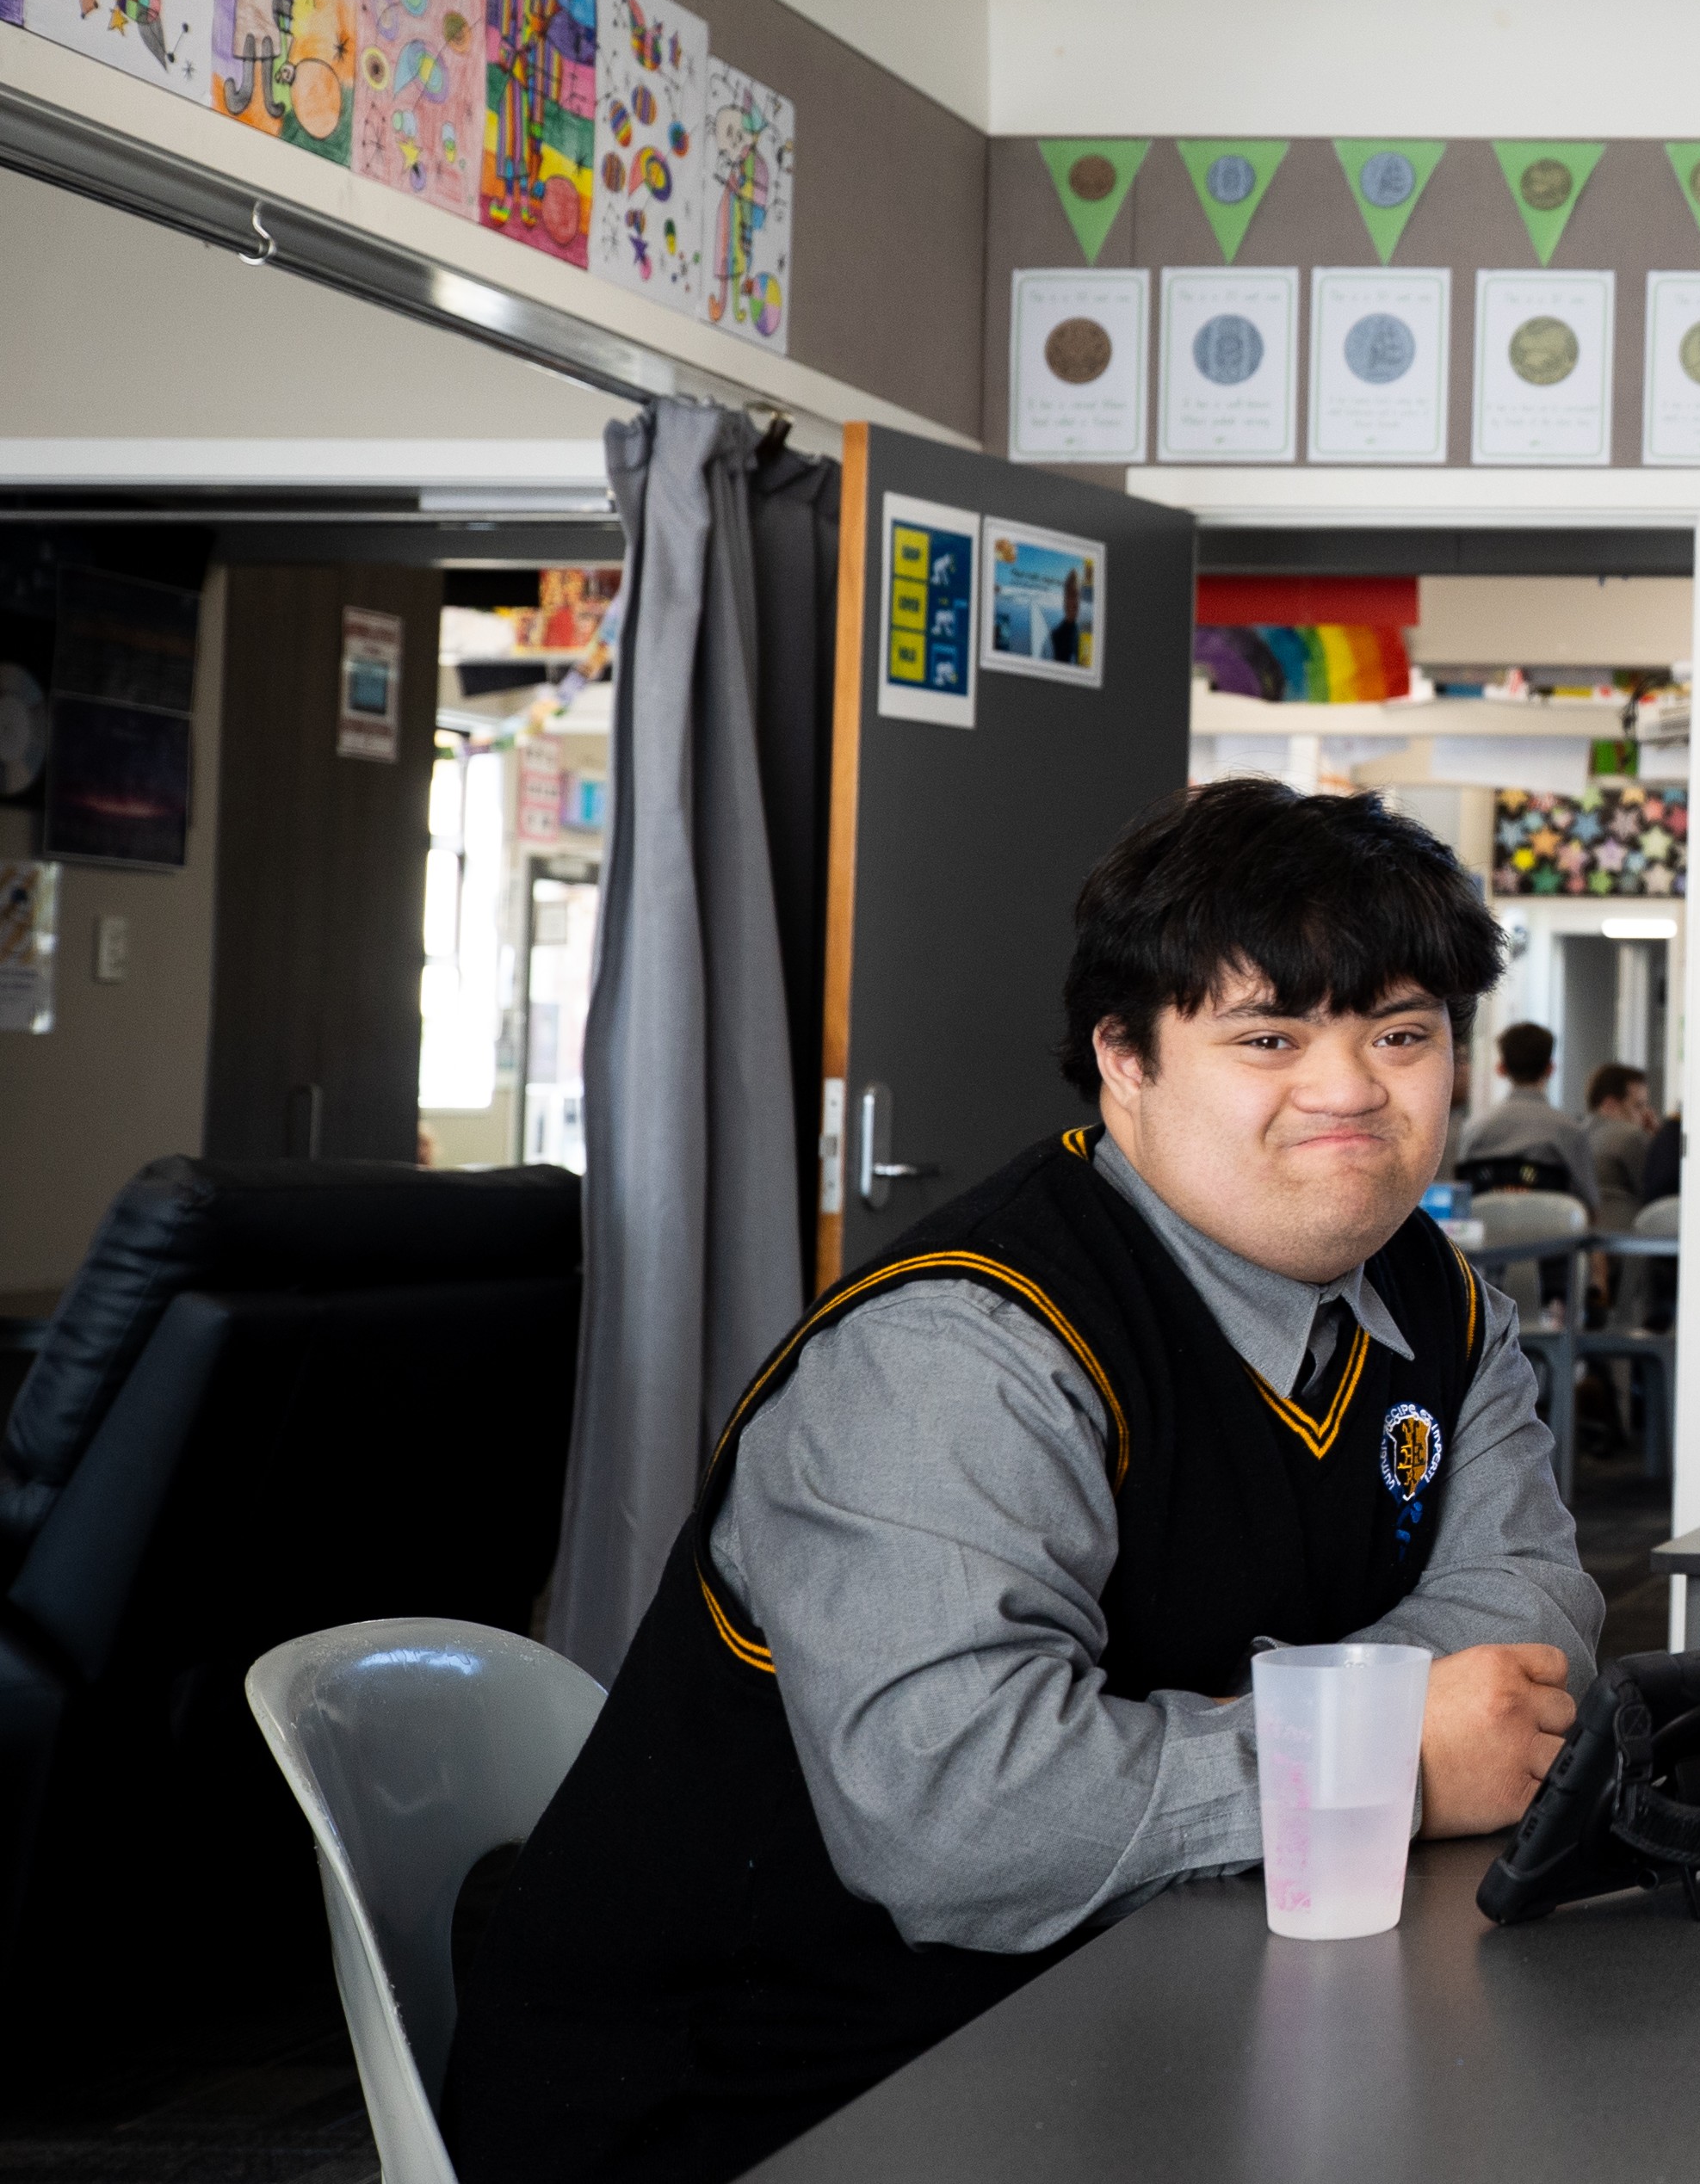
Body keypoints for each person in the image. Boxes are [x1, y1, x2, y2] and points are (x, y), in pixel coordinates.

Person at [448, 782, 1604, 2184]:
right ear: (1125, 1057)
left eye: (1403, 1033)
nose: (1349, 1086)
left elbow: (1524, 1605)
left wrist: (1321, 1739)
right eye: (1270, 1034)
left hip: (1139, 2011)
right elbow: (965, 1820)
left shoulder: (1445, 1305)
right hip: (767, 2087)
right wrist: (1378, 1754)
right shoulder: (964, 1346)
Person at [1455, 1022, 1588, 1178]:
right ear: (1551, 1069)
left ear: (1500, 1069)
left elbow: (1461, 1188)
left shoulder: (1474, 1129)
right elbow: (1586, 1198)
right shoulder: (1571, 1131)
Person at [1573, 1061, 1657, 1226]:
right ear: (1610, 1105)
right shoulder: (1631, 1137)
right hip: (1629, 1240)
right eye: (1639, 1106)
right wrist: (1658, 1141)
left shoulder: (1573, 1135)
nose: (1647, 1115)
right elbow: (1657, 1197)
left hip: (1580, 1239)